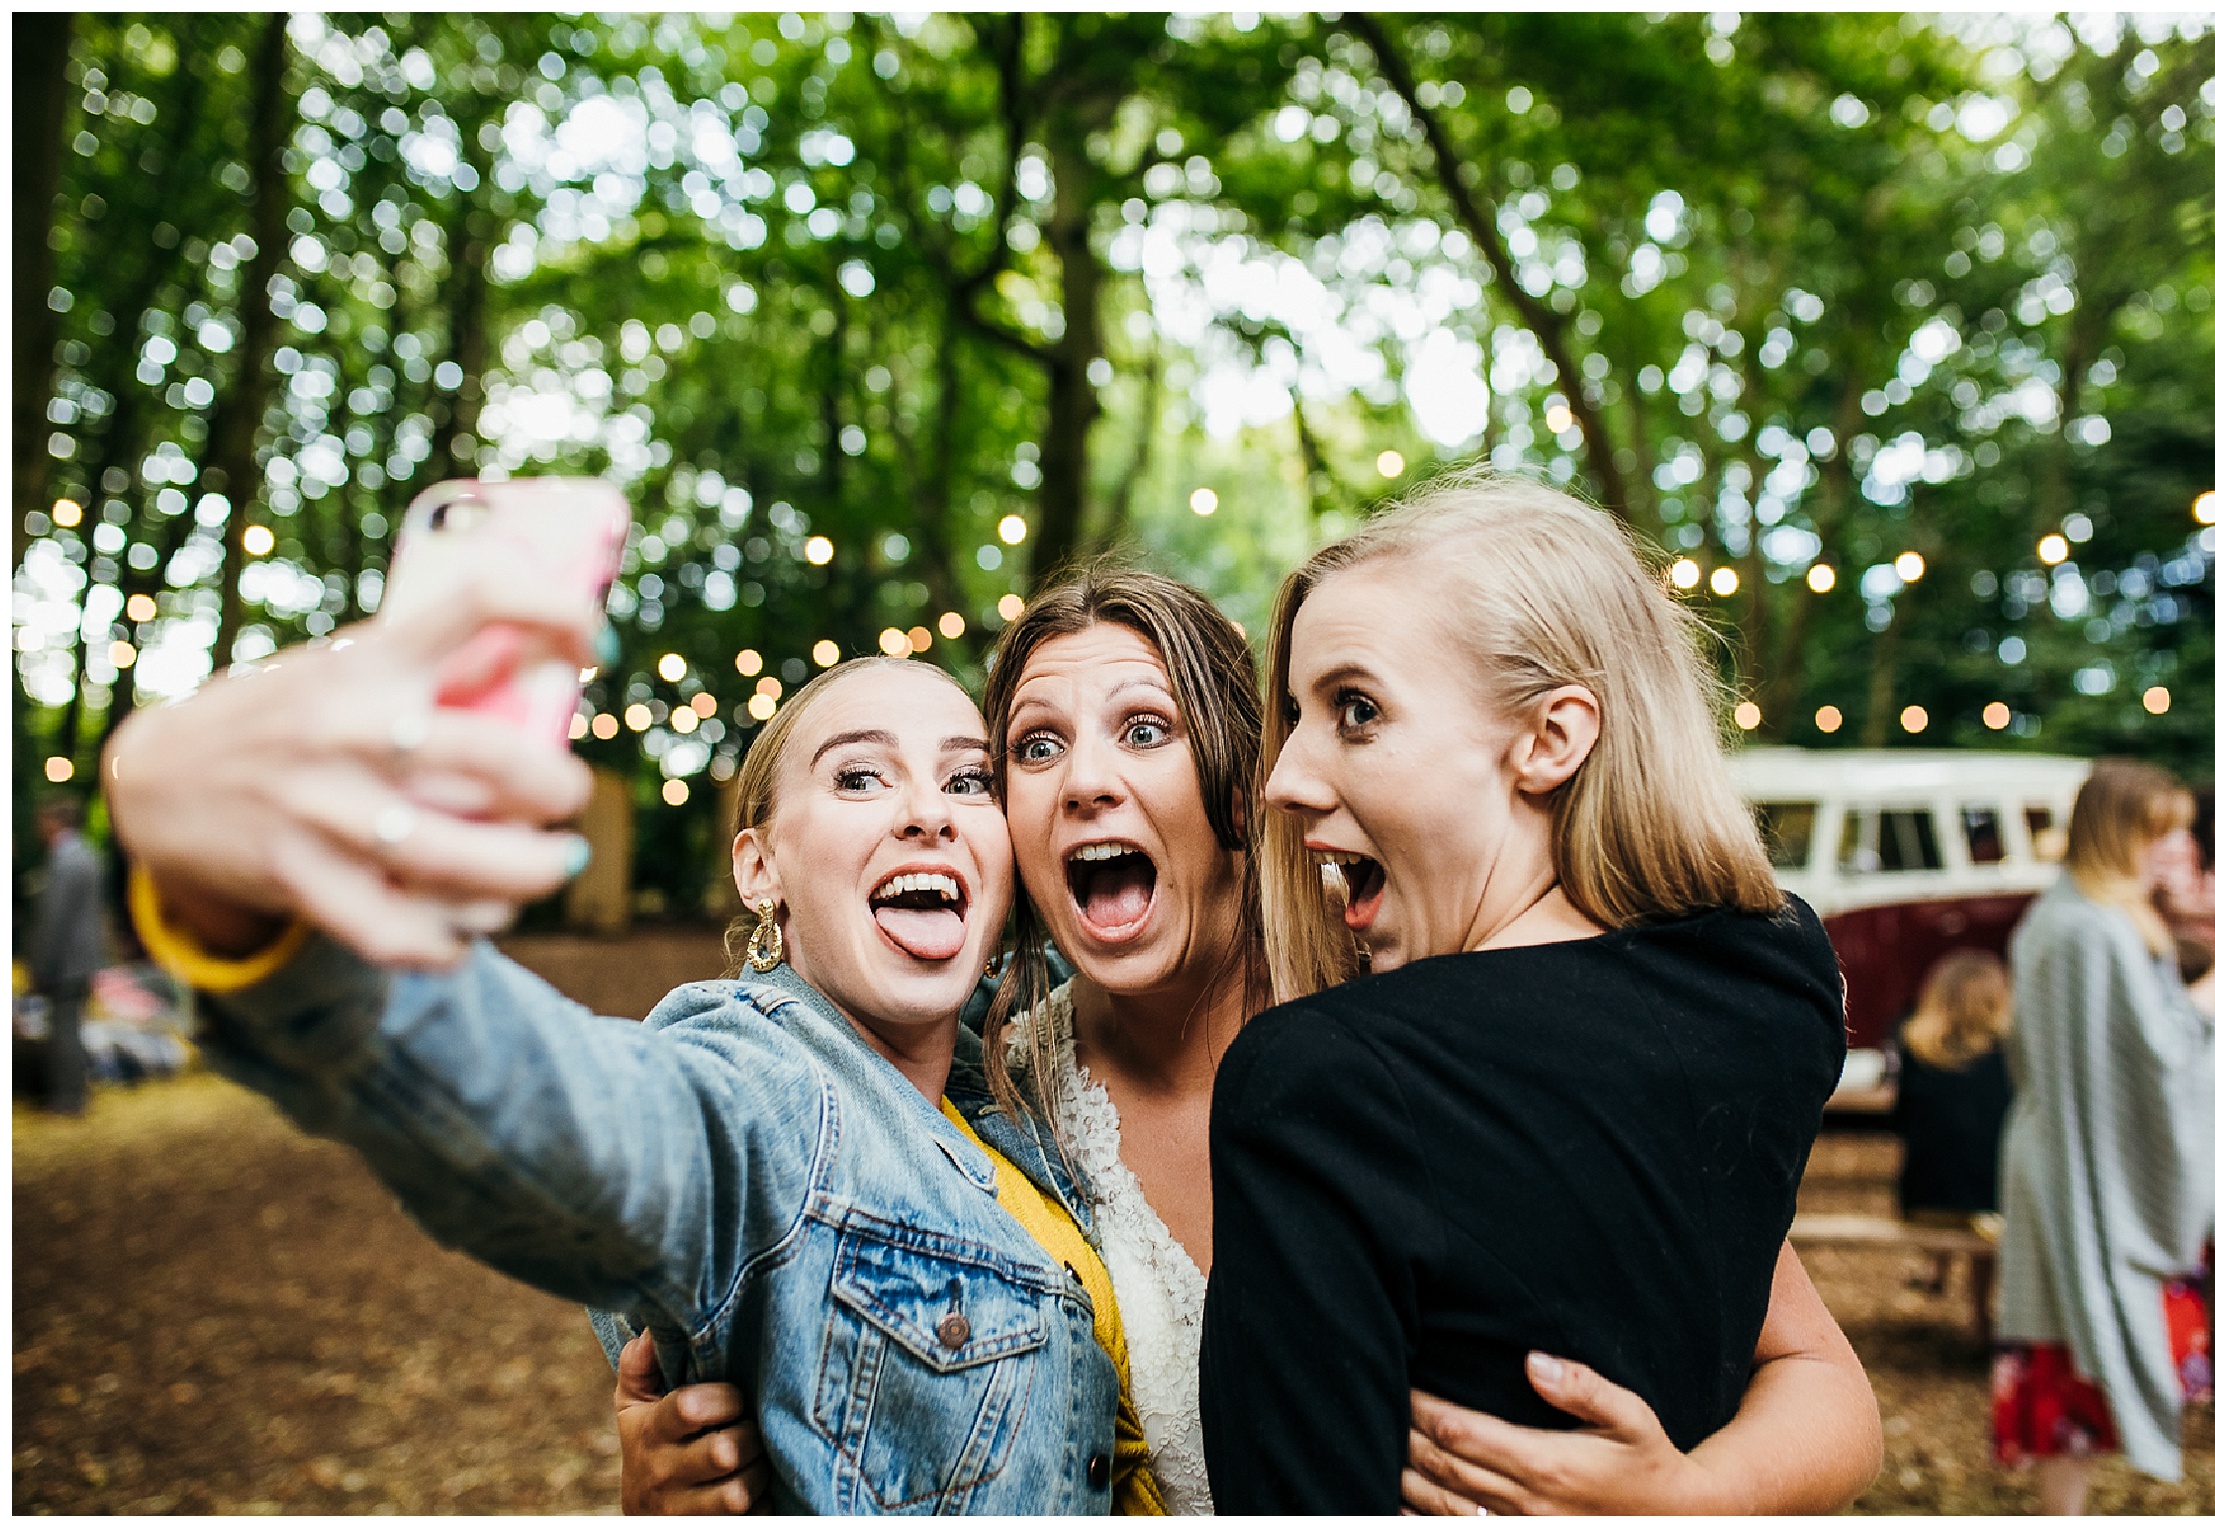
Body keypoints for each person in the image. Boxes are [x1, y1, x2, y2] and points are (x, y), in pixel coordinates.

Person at [621, 561, 1885, 1516]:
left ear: (1242, 781)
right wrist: (683, 1477)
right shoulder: (991, 1110)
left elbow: (1826, 1385)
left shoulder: (1431, 1013)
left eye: (1147, 730)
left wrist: (1687, 1496)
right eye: (1034, 748)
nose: (1086, 783)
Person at [103, 581, 1156, 1514]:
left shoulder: (1015, 1074)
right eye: (859, 779)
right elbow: (584, 1122)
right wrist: (274, 918)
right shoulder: (768, 1091)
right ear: (761, 869)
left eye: (969, 782)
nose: (929, 812)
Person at [1195, 473, 1852, 1513]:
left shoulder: (1325, 1082)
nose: (1284, 778)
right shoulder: (1772, 977)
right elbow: (1823, 1376)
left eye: (1355, 711)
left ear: (1550, 738)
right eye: (1297, 716)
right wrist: (1691, 1497)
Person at [1993, 760, 2215, 1514]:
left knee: (2079, 1352)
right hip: (2086, 1170)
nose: (2179, 846)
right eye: (2165, 830)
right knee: (2076, 1357)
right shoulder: (2093, 929)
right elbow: (2153, 1058)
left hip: (2073, 1157)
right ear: (2123, 835)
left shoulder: (2080, 916)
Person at [1891, 949, 2013, 1345]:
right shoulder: (2009, 1056)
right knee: (1982, 1196)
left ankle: (1936, 1271)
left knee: (1948, 1165)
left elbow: (1903, 1121)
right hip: (1992, 1204)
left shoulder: (1914, 1048)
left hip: (1924, 1200)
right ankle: (1980, 1316)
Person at [27, 795, 110, 1115]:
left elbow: (55, 920)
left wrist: (42, 965)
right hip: (85, 959)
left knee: (62, 1032)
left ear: (55, 822)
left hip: (66, 962)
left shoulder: (64, 860)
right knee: (72, 1028)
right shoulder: (89, 854)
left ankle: (67, 1100)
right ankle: (76, 1092)